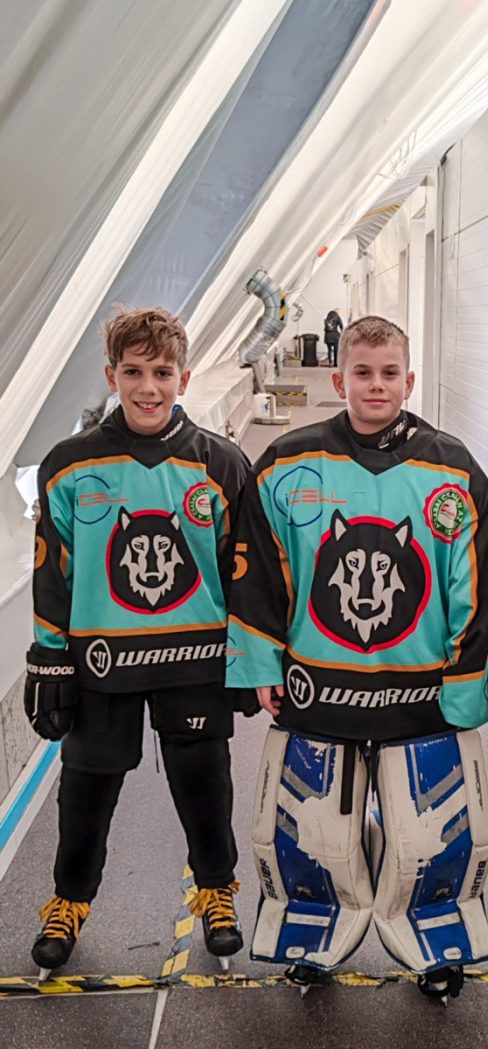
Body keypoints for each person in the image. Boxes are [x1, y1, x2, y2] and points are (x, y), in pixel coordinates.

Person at [226, 315, 488, 1001]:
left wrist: (465, 683)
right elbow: (259, 573)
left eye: (389, 373)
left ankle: (435, 943)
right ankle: (312, 935)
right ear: (339, 377)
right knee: (314, 832)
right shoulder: (286, 463)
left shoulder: (451, 468)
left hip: (420, 693)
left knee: (431, 833)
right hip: (319, 687)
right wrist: (262, 666)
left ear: (410, 379)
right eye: (363, 372)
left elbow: (476, 585)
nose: (377, 385)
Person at [24, 306, 257, 978]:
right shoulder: (70, 465)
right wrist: (48, 657)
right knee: (86, 791)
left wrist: (250, 657)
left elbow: (245, 574)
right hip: (101, 663)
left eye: (162, 372)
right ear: (111, 376)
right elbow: (53, 571)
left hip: (194, 662)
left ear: (184, 377)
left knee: (204, 783)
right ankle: (69, 902)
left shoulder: (220, 463)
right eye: (133, 372)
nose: (148, 387)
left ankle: (216, 890)